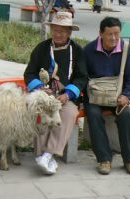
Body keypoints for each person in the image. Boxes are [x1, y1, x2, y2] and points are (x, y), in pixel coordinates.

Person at [24, 12, 87, 175]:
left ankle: (49, 153)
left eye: (62, 31)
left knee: (68, 113)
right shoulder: (42, 48)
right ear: (51, 30)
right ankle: (41, 154)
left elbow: (82, 77)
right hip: (44, 95)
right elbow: (29, 73)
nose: (58, 34)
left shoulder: (77, 51)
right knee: (41, 110)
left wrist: (68, 94)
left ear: (69, 33)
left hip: (66, 97)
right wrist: (39, 87)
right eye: (55, 30)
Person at [83, 17, 130, 175]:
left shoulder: (127, 50)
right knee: (93, 114)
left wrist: (127, 96)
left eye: (117, 34)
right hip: (95, 98)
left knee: (126, 115)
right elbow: (81, 75)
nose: (114, 38)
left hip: (117, 97)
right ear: (100, 33)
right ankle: (104, 159)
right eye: (109, 34)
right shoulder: (88, 50)